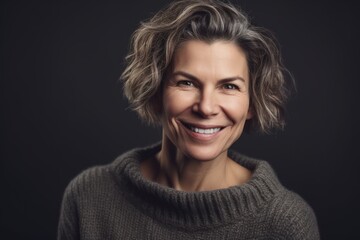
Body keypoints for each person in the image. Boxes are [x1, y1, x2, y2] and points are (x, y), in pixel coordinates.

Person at [57, 0, 320, 239]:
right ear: (156, 90)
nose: (206, 107)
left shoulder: (286, 223)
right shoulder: (89, 196)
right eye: (186, 82)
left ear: (252, 102)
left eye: (229, 86)